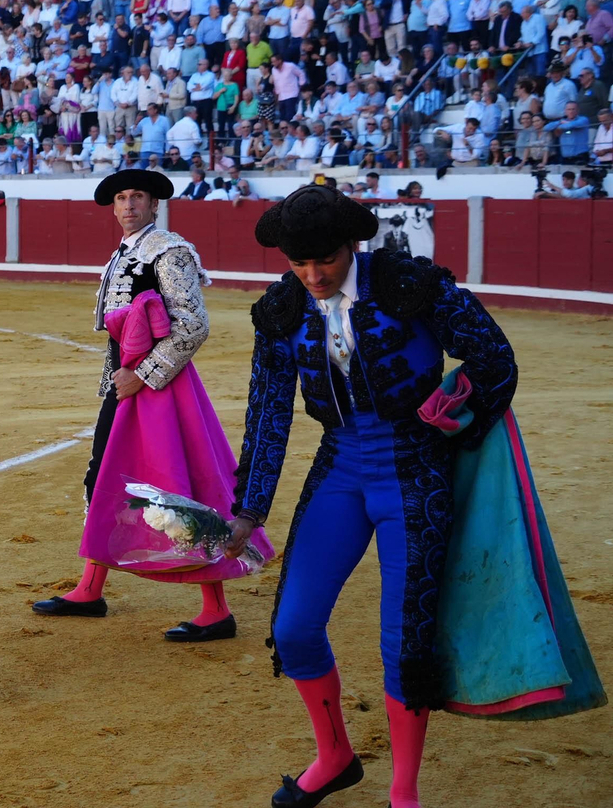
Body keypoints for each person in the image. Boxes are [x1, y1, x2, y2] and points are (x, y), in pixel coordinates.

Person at [229, 185, 602, 808]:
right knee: (293, 628)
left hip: (415, 471)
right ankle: (335, 756)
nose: (314, 275)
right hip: (340, 469)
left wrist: (457, 412)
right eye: (299, 263)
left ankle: (404, 791)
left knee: (406, 640)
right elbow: (267, 411)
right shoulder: (280, 309)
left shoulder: (411, 284)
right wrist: (248, 509)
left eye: (325, 260)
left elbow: (494, 357)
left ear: (353, 244)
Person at [32, 168, 270, 639]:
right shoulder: (126, 252)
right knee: (106, 477)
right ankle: (90, 588)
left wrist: (140, 376)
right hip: (126, 386)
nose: (127, 205)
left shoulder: (169, 250)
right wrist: (120, 383)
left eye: (137, 196)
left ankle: (216, 609)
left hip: (161, 390)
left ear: (154, 204)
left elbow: (193, 325)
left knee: (179, 486)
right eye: (120, 197)